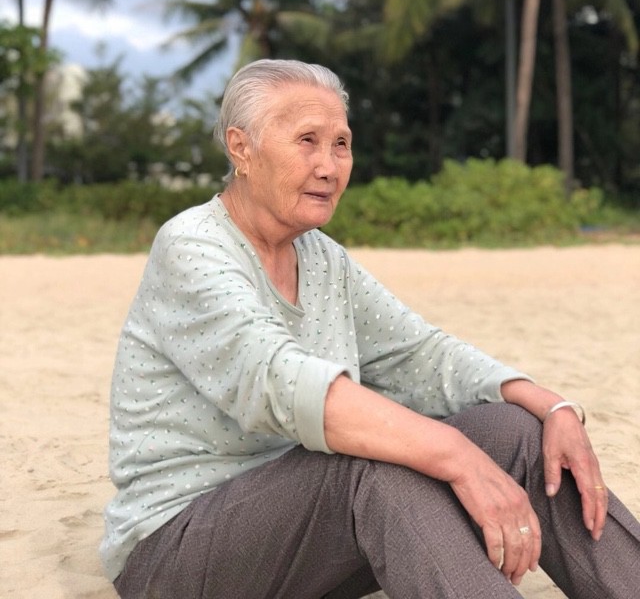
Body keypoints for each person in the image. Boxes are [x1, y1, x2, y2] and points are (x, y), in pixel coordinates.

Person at [100, 59, 640, 599]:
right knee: (376, 464)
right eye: (307, 141)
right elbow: (279, 382)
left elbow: (421, 355)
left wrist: (552, 407)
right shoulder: (192, 246)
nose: (328, 166)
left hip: (312, 534)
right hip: (178, 548)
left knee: (517, 430)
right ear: (241, 148)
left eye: (341, 144)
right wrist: (457, 457)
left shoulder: (322, 258)